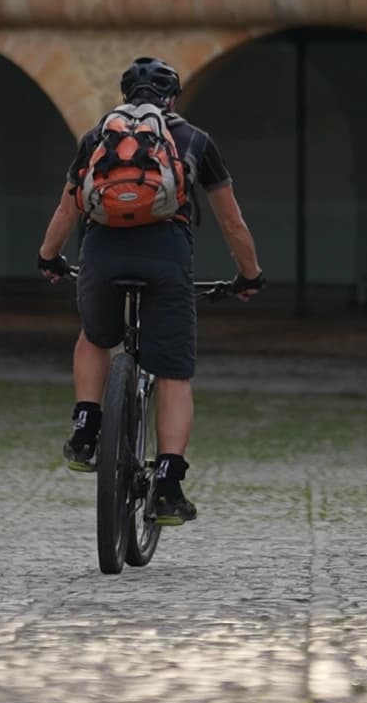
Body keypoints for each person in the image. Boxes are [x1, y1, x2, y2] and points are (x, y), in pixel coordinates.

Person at [38, 57, 263, 527]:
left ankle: (84, 429)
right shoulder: (195, 140)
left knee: (96, 337)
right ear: (172, 98)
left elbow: (67, 210)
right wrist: (249, 274)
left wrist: (48, 257)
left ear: (124, 95)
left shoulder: (98, 137)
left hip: (102, 257)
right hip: (166, 260)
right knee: (175, 374)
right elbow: (231, 222)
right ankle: (167, 486)